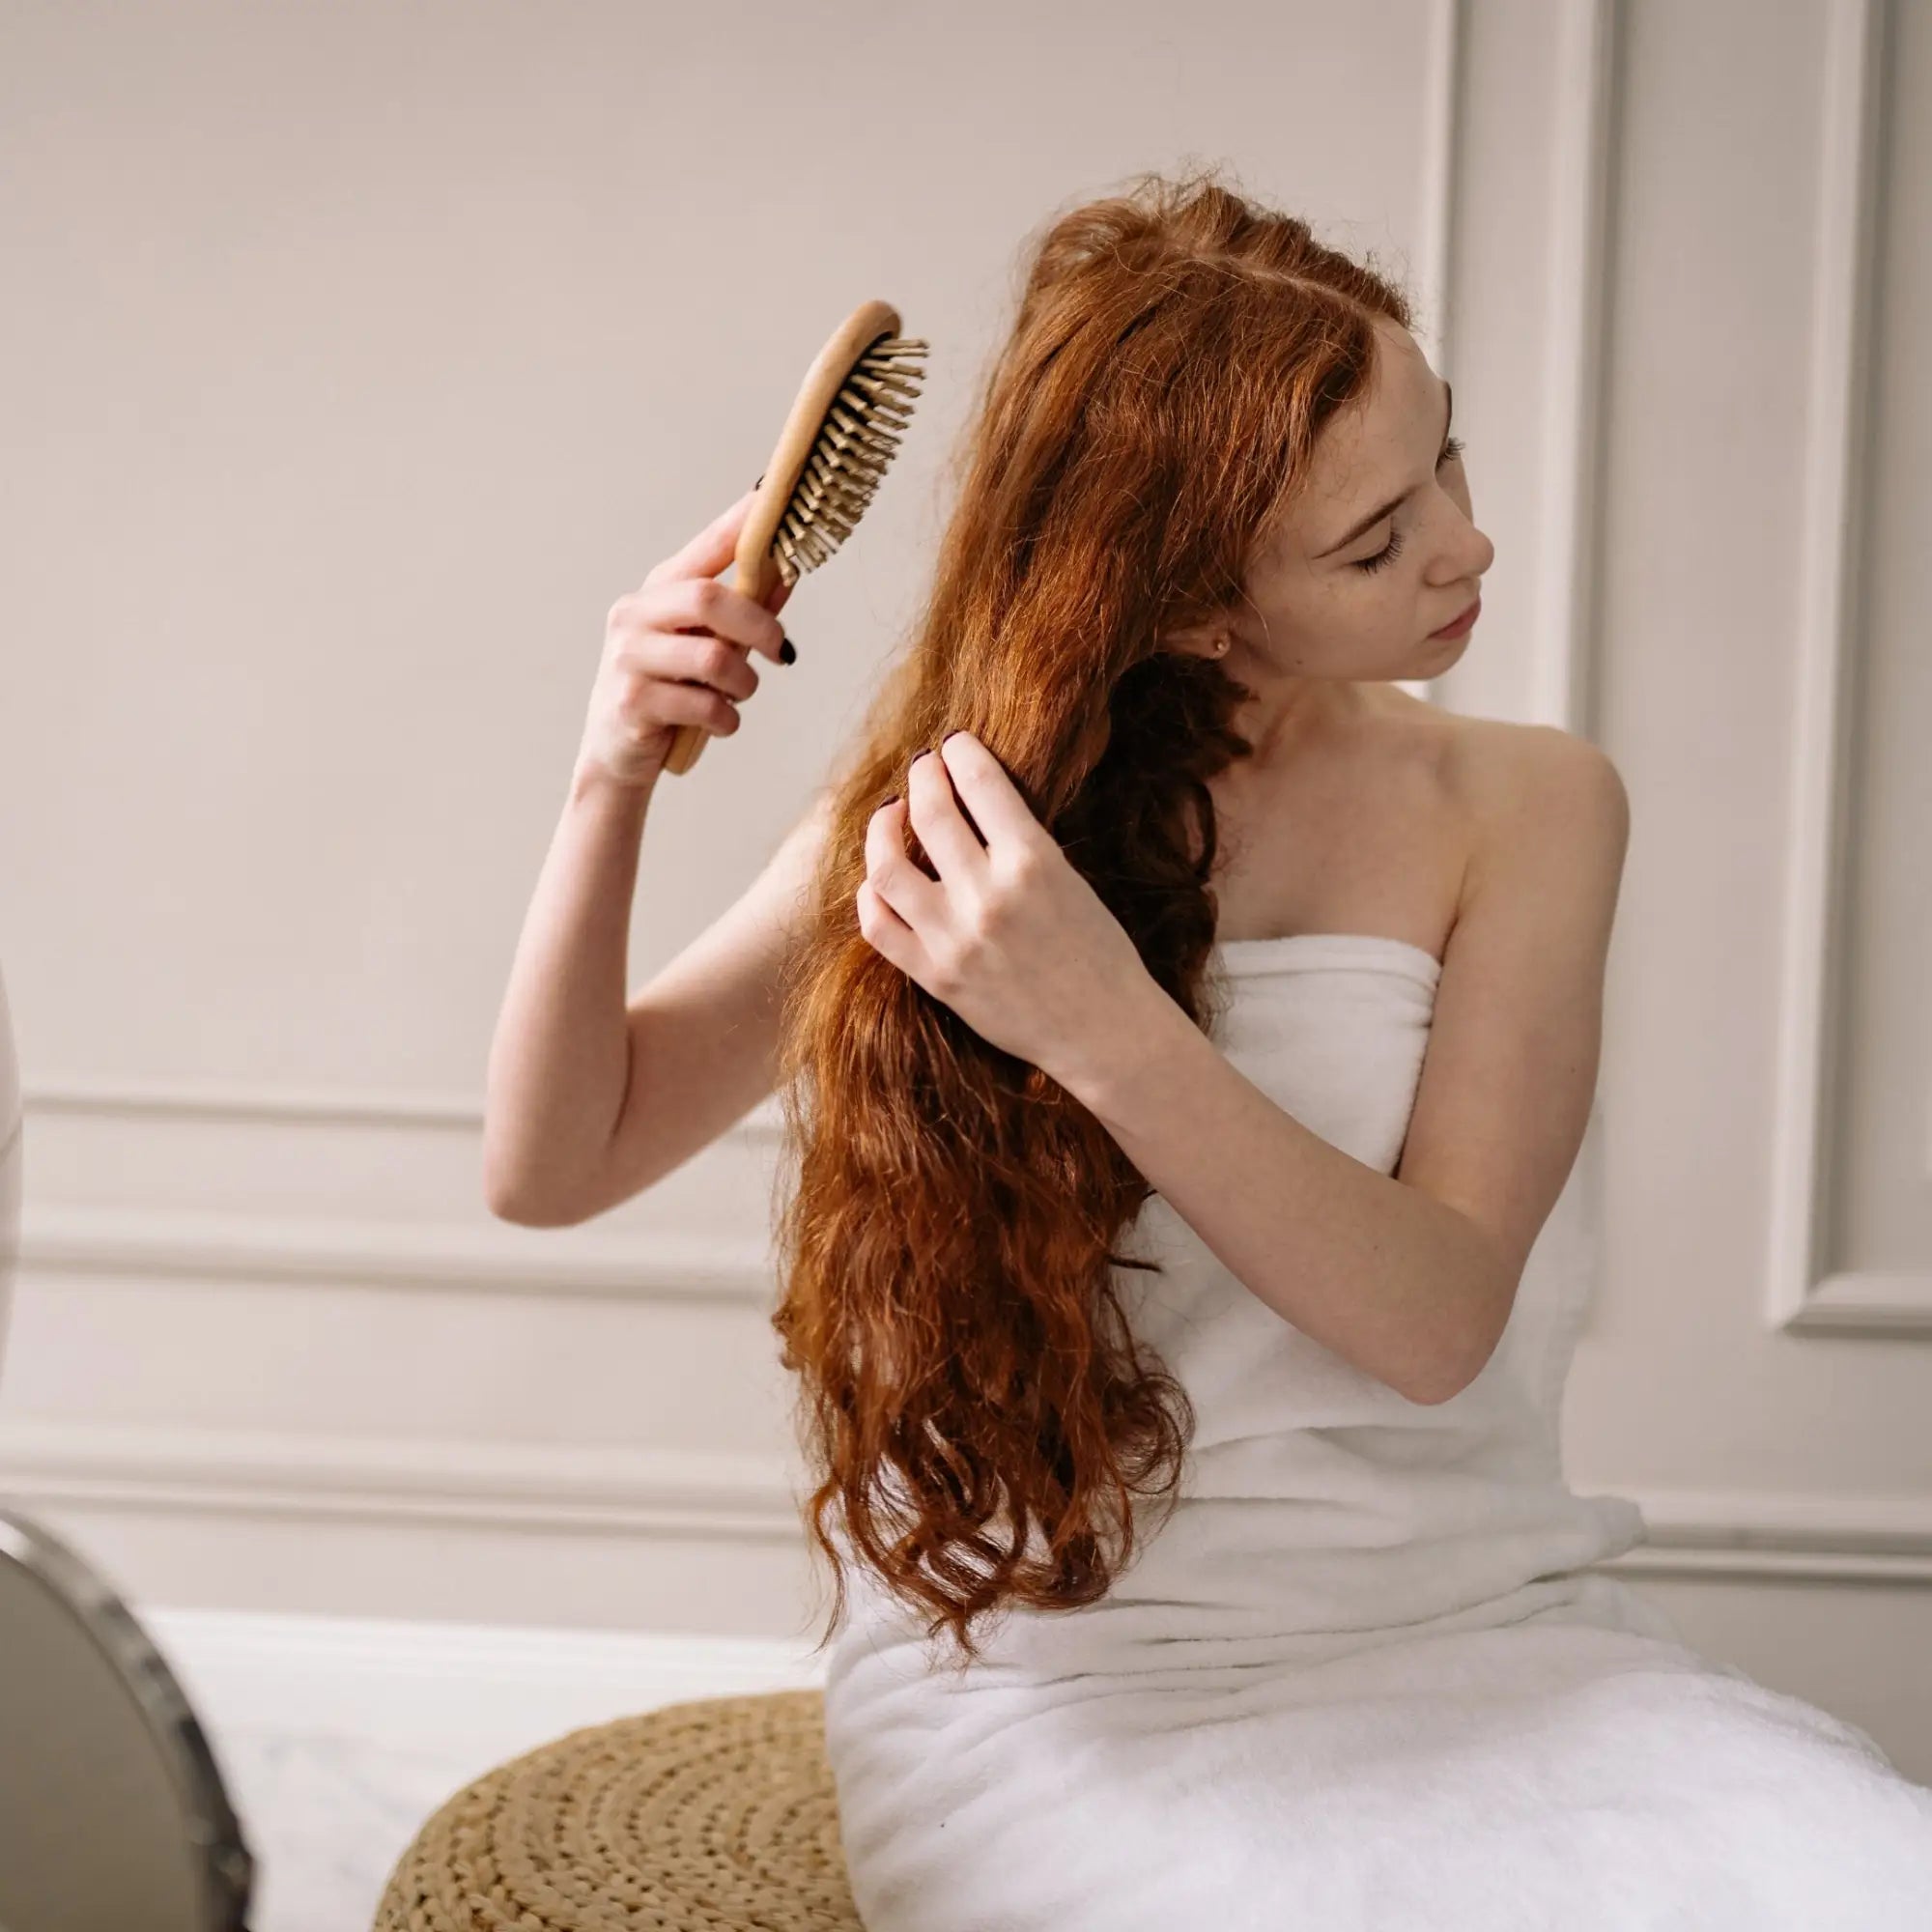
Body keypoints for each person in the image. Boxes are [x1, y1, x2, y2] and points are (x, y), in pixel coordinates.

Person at [485, 168, 1932, 1929]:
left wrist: (1097, 1019)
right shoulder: (960, 834)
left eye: (1445, 461)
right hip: (1064, 1702)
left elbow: (1434, 1319)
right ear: (1187, 608)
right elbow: (557, 1165)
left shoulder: (1530, 807)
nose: (1466, 547)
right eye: (1372, 541)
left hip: (1479, 1634)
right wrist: (608, 776)